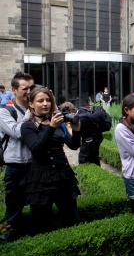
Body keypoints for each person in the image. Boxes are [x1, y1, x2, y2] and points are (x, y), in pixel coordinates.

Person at [20, 86, 81, 234]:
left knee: (72, 219)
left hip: (63, 175)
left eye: (48, 100)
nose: (45, 103)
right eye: (40, 101)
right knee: (41, 224)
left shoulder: (58, 122)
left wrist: (77, 130)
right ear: (31, 104)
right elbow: (36, 149)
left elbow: (73, 145)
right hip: (41, 178)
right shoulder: (27, 126)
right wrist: (51, 127)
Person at [0, 72, 34, 242]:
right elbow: (16, 132)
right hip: (15, 167)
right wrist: (30, 115)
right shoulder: (5, 112)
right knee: (13, 210)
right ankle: (3, 239)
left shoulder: (36, 108)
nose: (29, 91)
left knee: (38, 206)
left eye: (31, 88)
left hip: (34, 166)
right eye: (24, 88)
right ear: (14, 90)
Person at [58, 102, 111, 166]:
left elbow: (74, 138)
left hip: (90, 141)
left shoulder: (80, 119)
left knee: (83, 160)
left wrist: (67, 126)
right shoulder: (82, 111)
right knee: (94, 158)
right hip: (96, 137)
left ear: (70, 112)